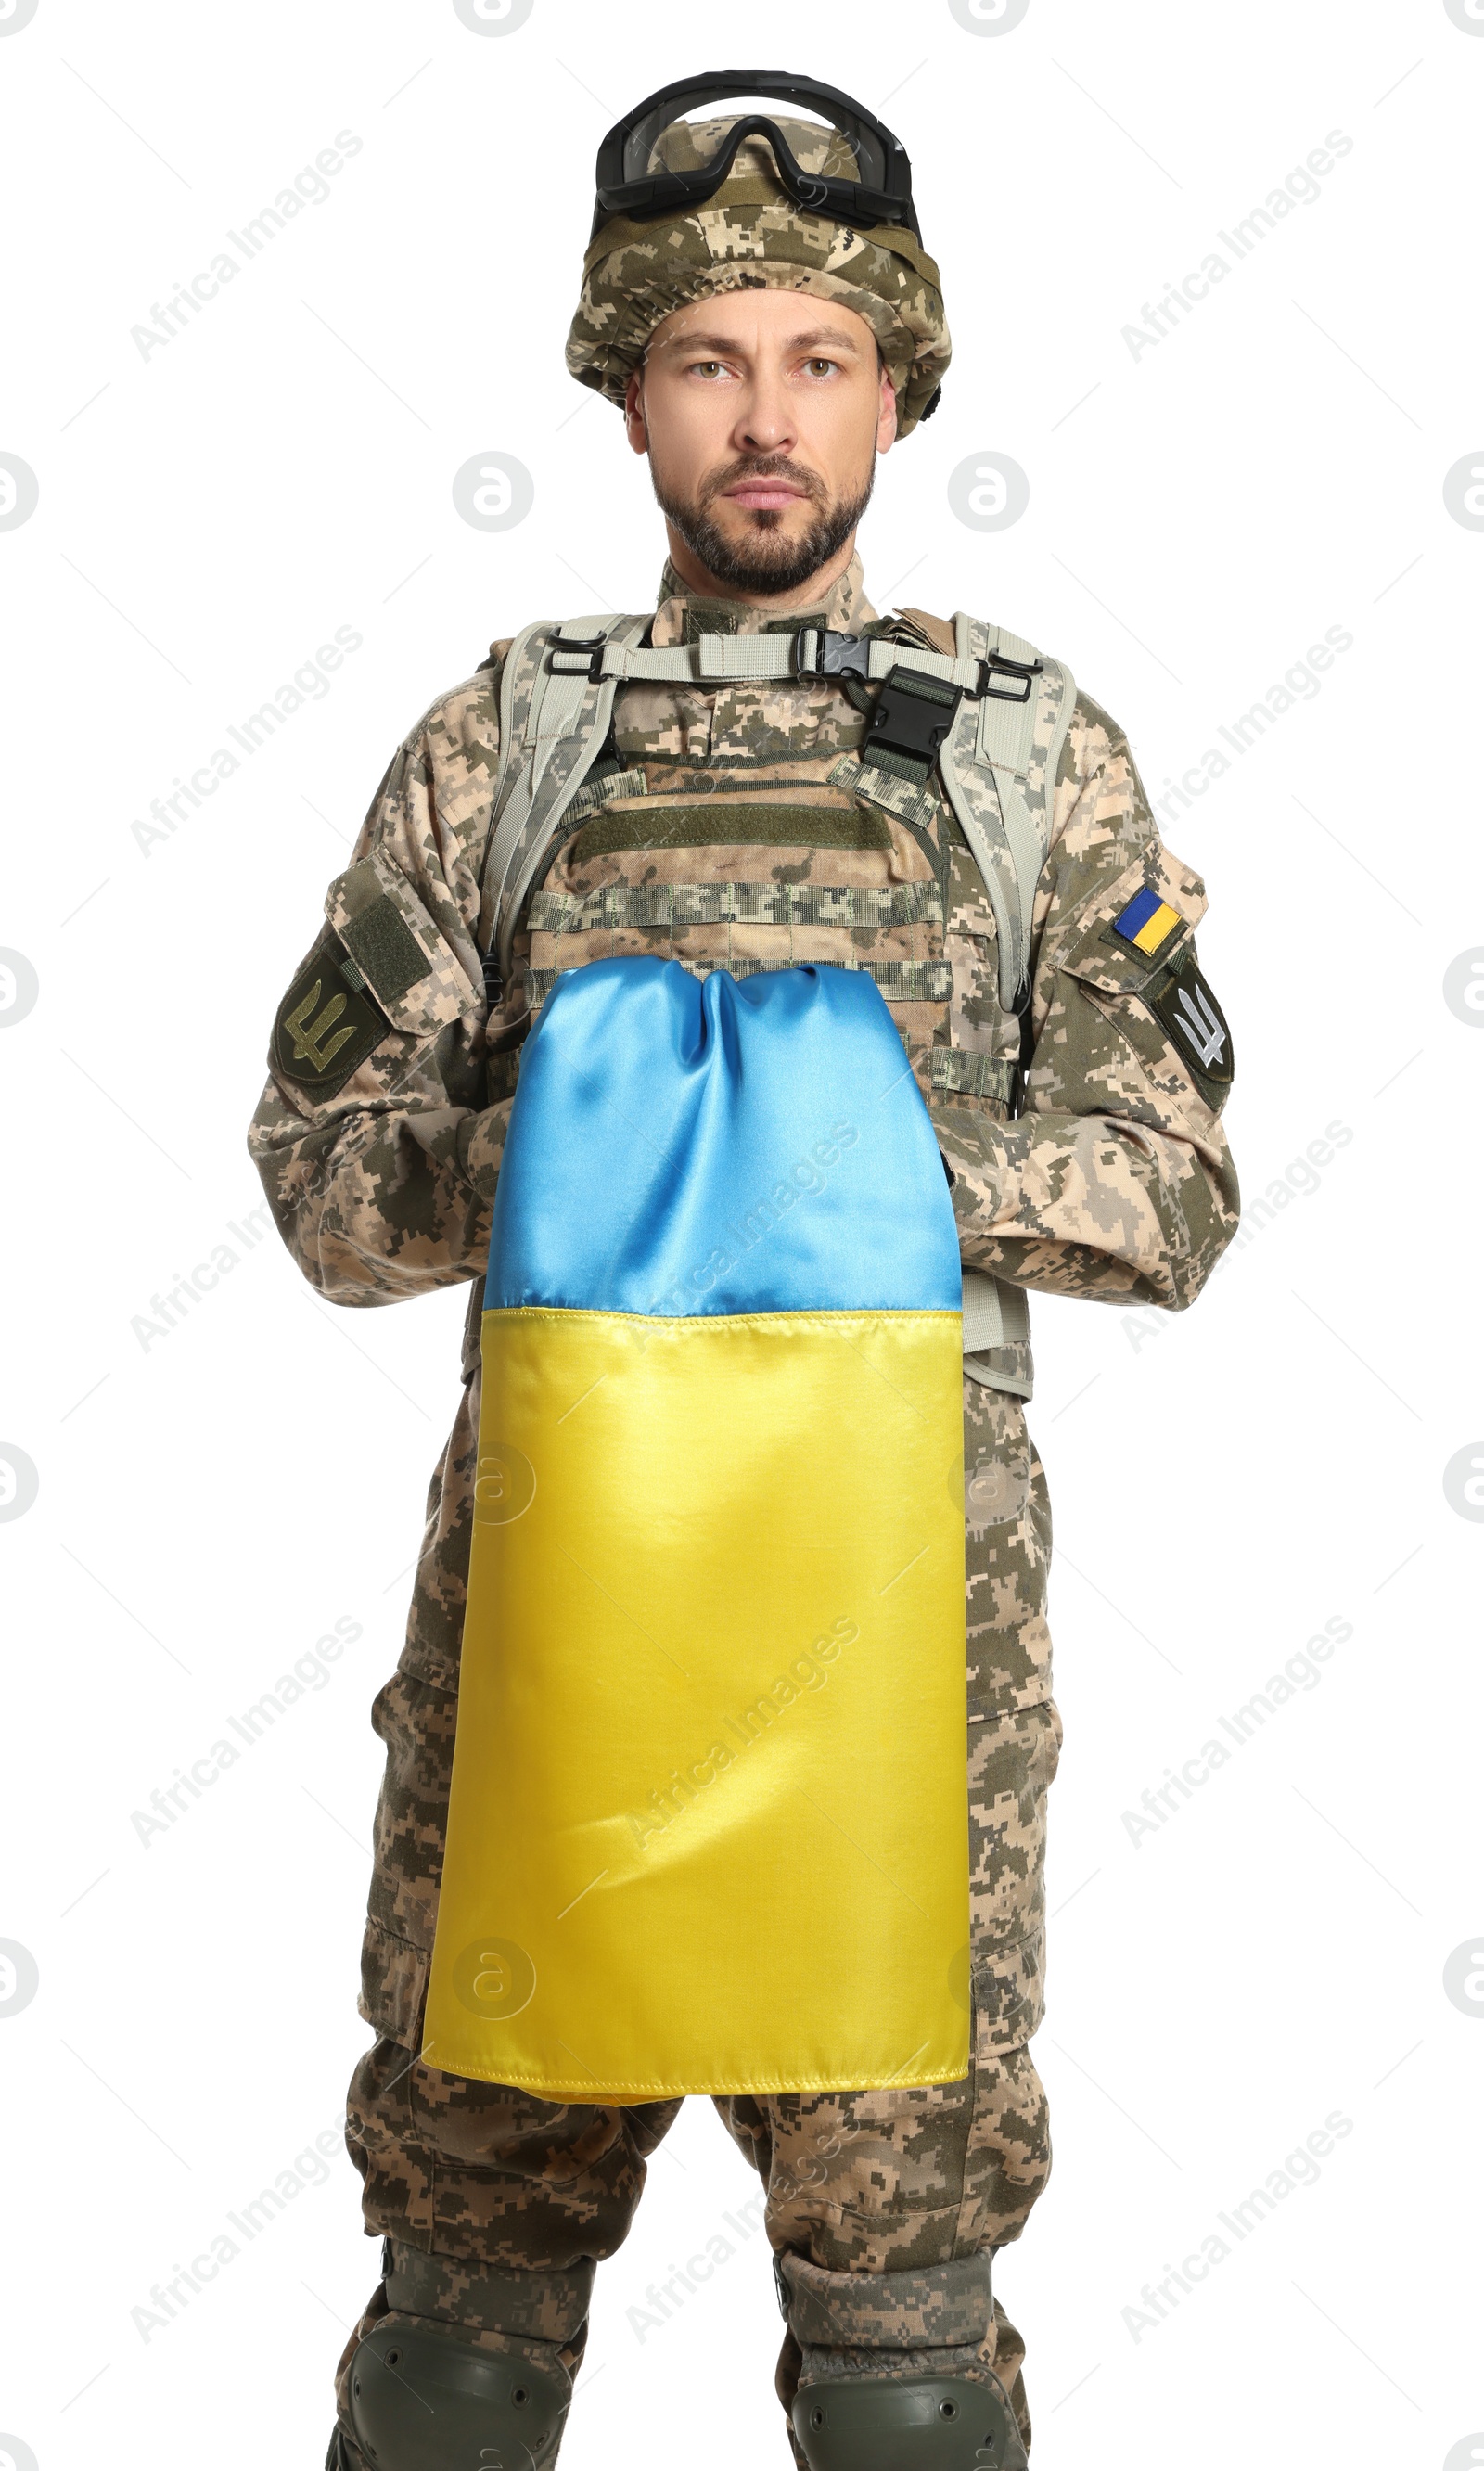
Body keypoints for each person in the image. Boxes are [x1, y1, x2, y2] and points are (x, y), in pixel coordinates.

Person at [248, 73, 1239, 2471]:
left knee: (904, 2357)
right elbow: (319, 1177)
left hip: (904, 1660)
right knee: (461, 2333)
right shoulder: (509, 748)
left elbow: (1171, 1181)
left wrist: (837, 1145)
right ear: (628, 396)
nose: (766, 417)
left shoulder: (1031, 765)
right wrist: (579, 1148)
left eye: (818, 358)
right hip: (552, 1642)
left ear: (899, 388)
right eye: (710, 361)